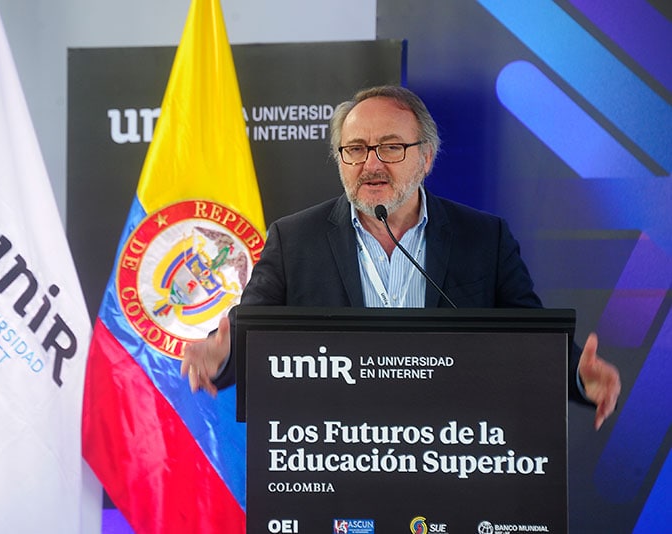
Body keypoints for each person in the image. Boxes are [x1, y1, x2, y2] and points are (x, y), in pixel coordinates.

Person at [180, 84, 621, 430]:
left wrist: (580, 379)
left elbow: (530, 340)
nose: (371, 164)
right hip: (335, 455)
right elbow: (252, 333)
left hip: (452, 453)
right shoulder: (295, 239)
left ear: (426, 158)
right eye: (355, 149)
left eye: (391, 147)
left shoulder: (484, 238)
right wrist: (220, 359)